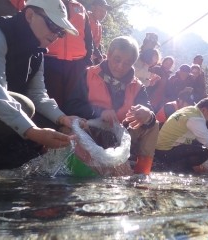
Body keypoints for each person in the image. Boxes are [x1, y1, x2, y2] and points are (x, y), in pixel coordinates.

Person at [0, 0, 88, 168]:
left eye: (60, 32)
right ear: (30, 15)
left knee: (55, 125)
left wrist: (62, 118)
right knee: (25, 106)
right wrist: (32, 131)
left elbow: (38, 94)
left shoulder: (37, 51)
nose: (55, 35)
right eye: (52, 25)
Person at [82, 36, 159, 175]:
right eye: (117, 60)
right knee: (68, 125)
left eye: (127, 63)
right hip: (90, 129)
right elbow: (73, 105)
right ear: (109, 54)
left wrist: (148, 114)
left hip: (120, 134)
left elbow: (149, 113)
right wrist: (100, 112)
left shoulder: (138, 86)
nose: (120, 67)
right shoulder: (88, 74)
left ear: (133, 64)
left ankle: (141, 173)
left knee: (154, 125)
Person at [43, 0, 94, 119]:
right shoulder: (46, 3)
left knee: (73, 100)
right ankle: (52, 127)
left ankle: (72, 130)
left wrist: (87, 61)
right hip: (51, 60)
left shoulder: (80, 8)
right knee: (52, 99)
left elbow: (88, 37)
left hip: (77, 64)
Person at [88, 0, 112, 65]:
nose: (103, 14)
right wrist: (99, 56)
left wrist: (100, 54)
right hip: (82, 58)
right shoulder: (85, 18)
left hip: (91, 57)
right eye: (101, 11)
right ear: (93, 8)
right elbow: (89, 40)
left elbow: (97, 44)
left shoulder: (98, 24)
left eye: (105, 12)